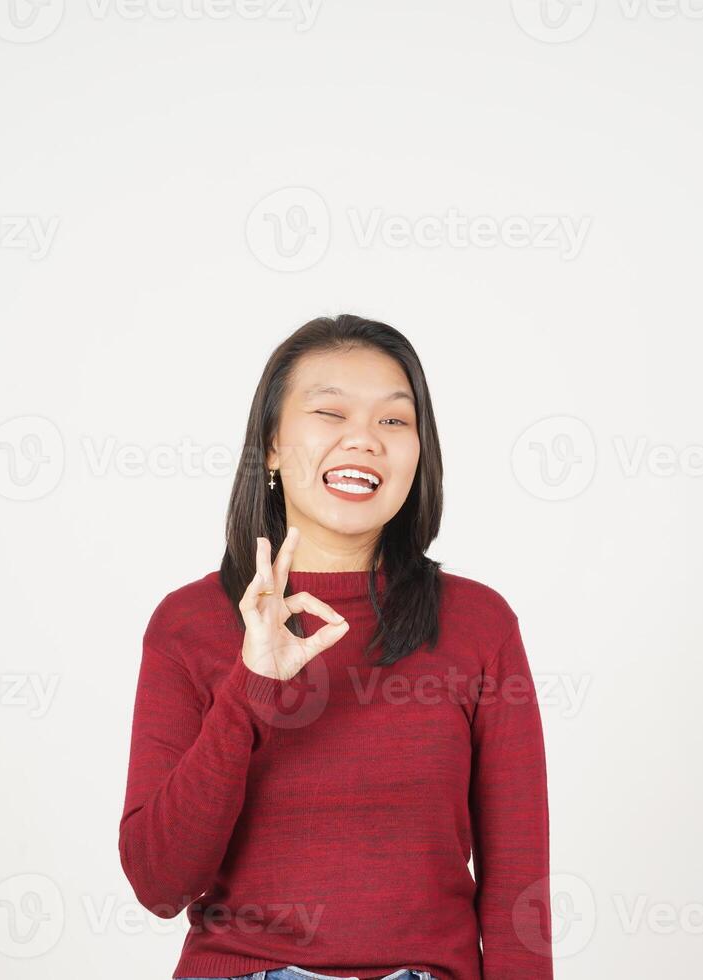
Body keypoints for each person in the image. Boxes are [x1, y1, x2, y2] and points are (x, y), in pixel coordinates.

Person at [119, 314, 553, 980]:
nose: (365, 440)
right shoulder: (189, 624)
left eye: (394, 421)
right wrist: (251, 686)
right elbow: (160, 883)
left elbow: (518, 890)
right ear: (269, 445)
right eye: (330, 412)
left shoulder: (478, 625)